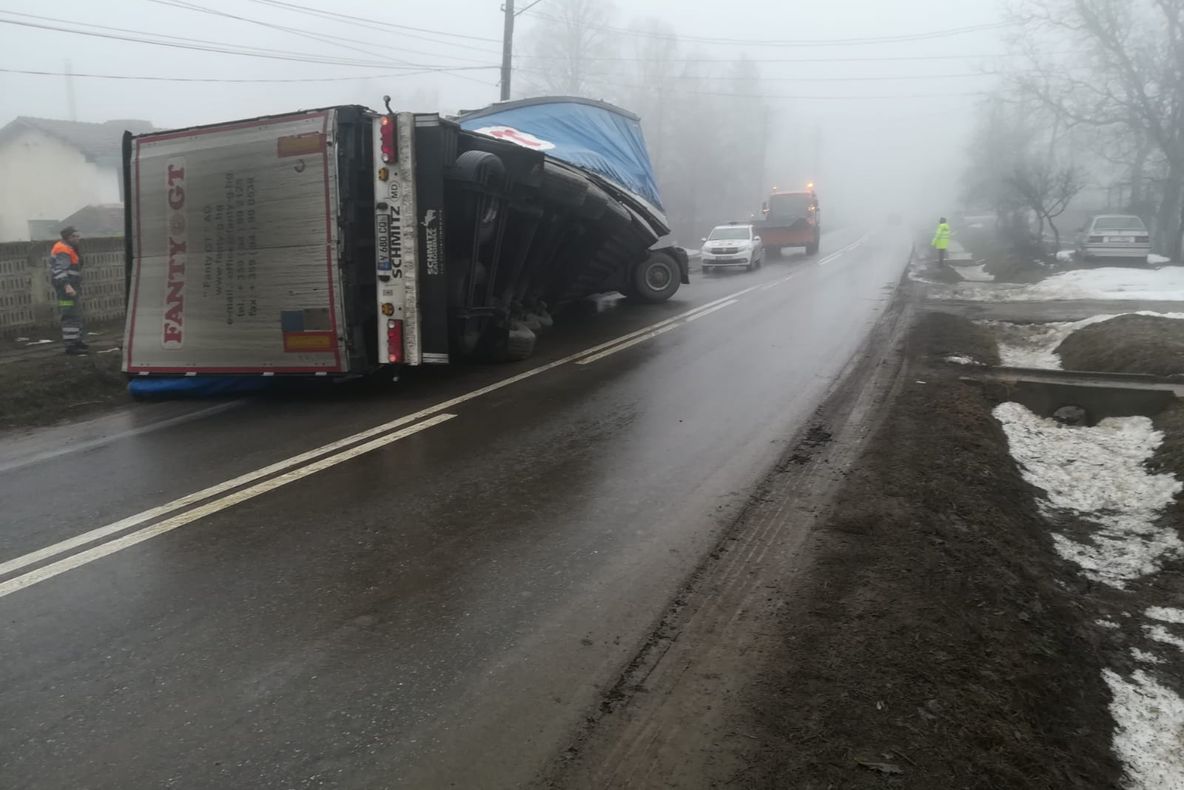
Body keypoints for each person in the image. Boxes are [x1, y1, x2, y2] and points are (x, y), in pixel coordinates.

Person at [49, 226, 86, 355]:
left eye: (78, 236)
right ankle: (71, 345)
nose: (78, 238)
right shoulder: (63, 250)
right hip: (66, 289)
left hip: (71, 287)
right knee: (69, 314)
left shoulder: (69, 248)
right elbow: (59, 270)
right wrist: (67, 286)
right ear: (68, 237)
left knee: (75, 314)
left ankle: (76, 341)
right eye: (75, 236)